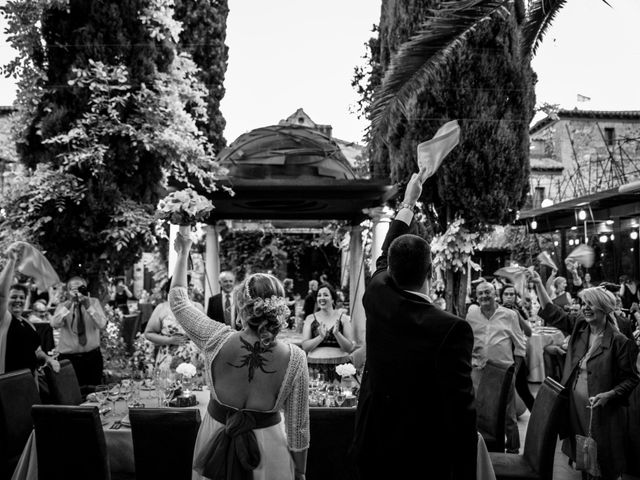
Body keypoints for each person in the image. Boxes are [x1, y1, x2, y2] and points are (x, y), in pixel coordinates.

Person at [352, 171, 476, 479]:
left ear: (390, 271)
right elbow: (461, 411)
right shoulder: (452, 329)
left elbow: (383, 257)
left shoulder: (376, 295)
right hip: (423, 452)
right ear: (431, 273)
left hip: (373, 440)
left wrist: (408, 201)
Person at [169, 233, 309, 480]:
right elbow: (298, 429)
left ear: (241, 306)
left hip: (215, 442)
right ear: (279, 308)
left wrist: (183, 253)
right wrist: (300, 472)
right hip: (269, 452)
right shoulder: (295, 358)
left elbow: (178, 301)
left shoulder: (215, 337)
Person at [554, 286, 638, 479]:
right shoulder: (582, 330)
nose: (586, 308)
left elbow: (632, 378)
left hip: (601, 411)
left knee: (603, 457)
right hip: (576, 406)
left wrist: (610, 395)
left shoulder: (619, 341)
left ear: (604, 307)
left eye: (591, 303)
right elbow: (556, 315)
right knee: (583, 450)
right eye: (584, 303)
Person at [466, 281, 527, 454]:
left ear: (495, 294)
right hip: (479, 371)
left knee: (508, 414)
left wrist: (514, 370)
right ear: (476, 297)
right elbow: (467, 340)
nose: (484, 296)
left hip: (503, 371)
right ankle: (482, 449)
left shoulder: (509, 315)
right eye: (480, 293)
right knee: (479, 411)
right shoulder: (471, 315)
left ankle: (513, 449)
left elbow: (520, 346)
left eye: (487, 292)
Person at [0, 246, 59, 376]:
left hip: (30, 382)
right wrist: (11, 261)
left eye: (22, 297)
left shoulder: (28, 324)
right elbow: (1, 294)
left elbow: (37, 351)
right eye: (14, 296)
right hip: (8, 383)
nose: (18, 300)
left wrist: (48, 359)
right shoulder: (4, 319)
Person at [51, 276, 107, 386]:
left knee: (93, 392)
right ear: (68, 291)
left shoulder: (94, 303)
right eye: (73, 289)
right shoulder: (63, 306)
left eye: (81, 288)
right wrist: (69, 305)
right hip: (69, 359)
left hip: (92, 357)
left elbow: (102, 325)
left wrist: (88, 307)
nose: (77, 292)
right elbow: (54, 324)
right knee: (72, 393)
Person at [301, 284, 355, 382]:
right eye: (319, 295)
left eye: (325, 295)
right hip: (315, 368)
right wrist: (320, 337)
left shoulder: (343, 318)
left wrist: (337, 334)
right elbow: (305, 347)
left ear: (333, 299)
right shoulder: (310, 318)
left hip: (341, 367)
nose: (321, 298)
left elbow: (349, 348)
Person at [144, 279, 200, 371]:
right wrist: (169, 340)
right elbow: (149, 334)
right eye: (186, 285)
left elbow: (206, 334)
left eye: (190, 285)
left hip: (193, 358)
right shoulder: (162, 308)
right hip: (168, 359)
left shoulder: (197, 307)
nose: (189, 288)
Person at [500, 285, 535, 413]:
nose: (509, 297)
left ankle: (539, 419)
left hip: (516, 355)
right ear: (501, 296)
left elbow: (529, 332)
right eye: (506, 294)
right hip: (501, 354)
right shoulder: (497, 310)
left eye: (512, 294)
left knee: (523, 389)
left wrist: (517, 315)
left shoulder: (519, 311)